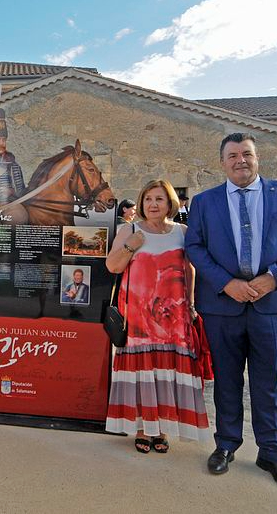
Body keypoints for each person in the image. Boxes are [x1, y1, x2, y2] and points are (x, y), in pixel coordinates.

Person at [185, 133, 277, 492]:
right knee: (226, 379)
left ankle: (272, 452)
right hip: (223, 305)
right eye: (232, 155)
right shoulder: (205, 202)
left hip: (271, 303)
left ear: (257, 158)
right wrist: (226, 283)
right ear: (222, 161)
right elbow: (195, 246)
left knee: (268, 380)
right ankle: (226, 444)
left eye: (247, 154)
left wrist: (274, 278)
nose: (240, 160)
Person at [105, 179, 210, 455]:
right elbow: (112, 266)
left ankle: (160, 429)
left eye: (159, 199)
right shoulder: (129, 229)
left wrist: (190, 302)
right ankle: (142, 428)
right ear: (141, 202)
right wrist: (131, 245)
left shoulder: (183, 232)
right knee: (143, 373)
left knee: (166, 373)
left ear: (170, 203)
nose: (153, 204)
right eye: (148, 198)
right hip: (138, 318)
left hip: (173, 318)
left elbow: (190, 270)